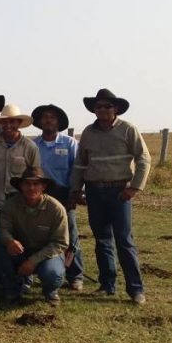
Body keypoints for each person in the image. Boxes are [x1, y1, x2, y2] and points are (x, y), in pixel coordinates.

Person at [70, 89, 151, 304]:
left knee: (124, 240)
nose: (103, 110)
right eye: (99, 107)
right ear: (94, 110)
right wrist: (76, 189)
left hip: (120, 192)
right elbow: (80, 163)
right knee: (102, 240)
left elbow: (143, 159)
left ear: (115, 109)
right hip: (94, 191)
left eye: (107, 106)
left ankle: (135, 289)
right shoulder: (88, 132)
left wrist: (134, 188)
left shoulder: (128, 129)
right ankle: (107, 285)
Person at [0, 104, 40, 289]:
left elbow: (36, 176)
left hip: (19, 205)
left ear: (19, 123)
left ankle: (23, 278)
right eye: (5, 121)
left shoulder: (30, 147)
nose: (8, 125)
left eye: (12, 121)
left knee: (20, 241)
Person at [0, 167, 68, 305]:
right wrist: (10, 241)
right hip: (20, 251)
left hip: (46, 253)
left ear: (44, 186)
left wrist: (33, 260)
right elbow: (3, 229)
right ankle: (12, 290)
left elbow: (60, 243)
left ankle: (50, 292)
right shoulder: (10, 205)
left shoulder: (56, 208)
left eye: (36, 184)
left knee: (52, 273)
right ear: (21, 186)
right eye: (27, 184)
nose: (31, 188)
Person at [32, 104, 85, 290]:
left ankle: (75, 275)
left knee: (70, 234)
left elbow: (77, 170)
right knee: (38, 233)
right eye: (45, 117)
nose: (48, 120)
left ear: (59, 122)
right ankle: (38, 273)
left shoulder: (70, 143)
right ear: (39, 122)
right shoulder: (33, 145)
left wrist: (75, 192)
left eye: (52, 117)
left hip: (64, 194)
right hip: (39, 194)